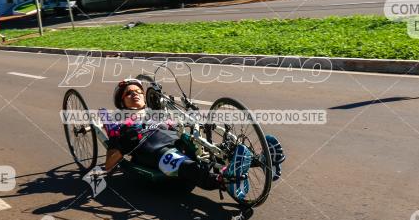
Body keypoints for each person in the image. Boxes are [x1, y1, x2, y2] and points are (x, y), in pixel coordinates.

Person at [101, 79, 285, 202]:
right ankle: (224, 180)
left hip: (178, 141)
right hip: (155, 151)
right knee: (189, 166)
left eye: (138, 91)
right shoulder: (120, 122)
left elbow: (179, 126)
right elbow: (110, 162)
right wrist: (118, 142)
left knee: (211, 151)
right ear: (122, 102)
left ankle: (262, 160)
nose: (135, 94)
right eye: (129, 93)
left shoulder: (158, 113)